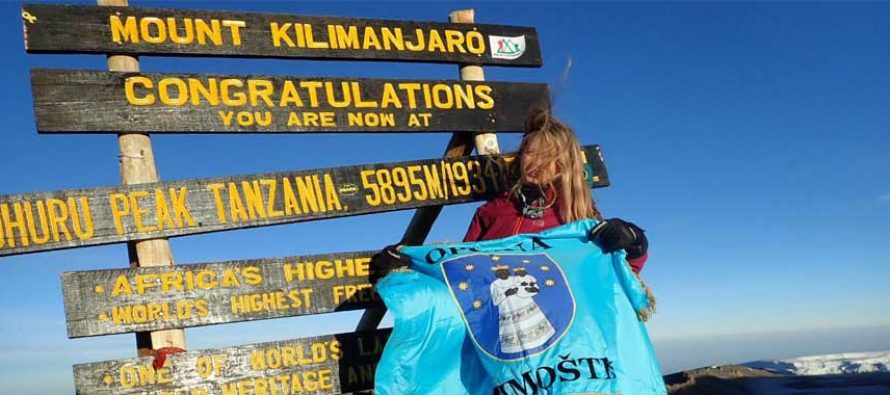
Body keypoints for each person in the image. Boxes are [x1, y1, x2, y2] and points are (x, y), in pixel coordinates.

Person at [372, 107, 649, 277]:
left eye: (548, 155)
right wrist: (409, 265)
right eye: (530, 152)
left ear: (562, 164)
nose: (536, 161)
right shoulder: (492, 211)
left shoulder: (579, 216)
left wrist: (634, 243)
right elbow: (463, 269)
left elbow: (619, 275)